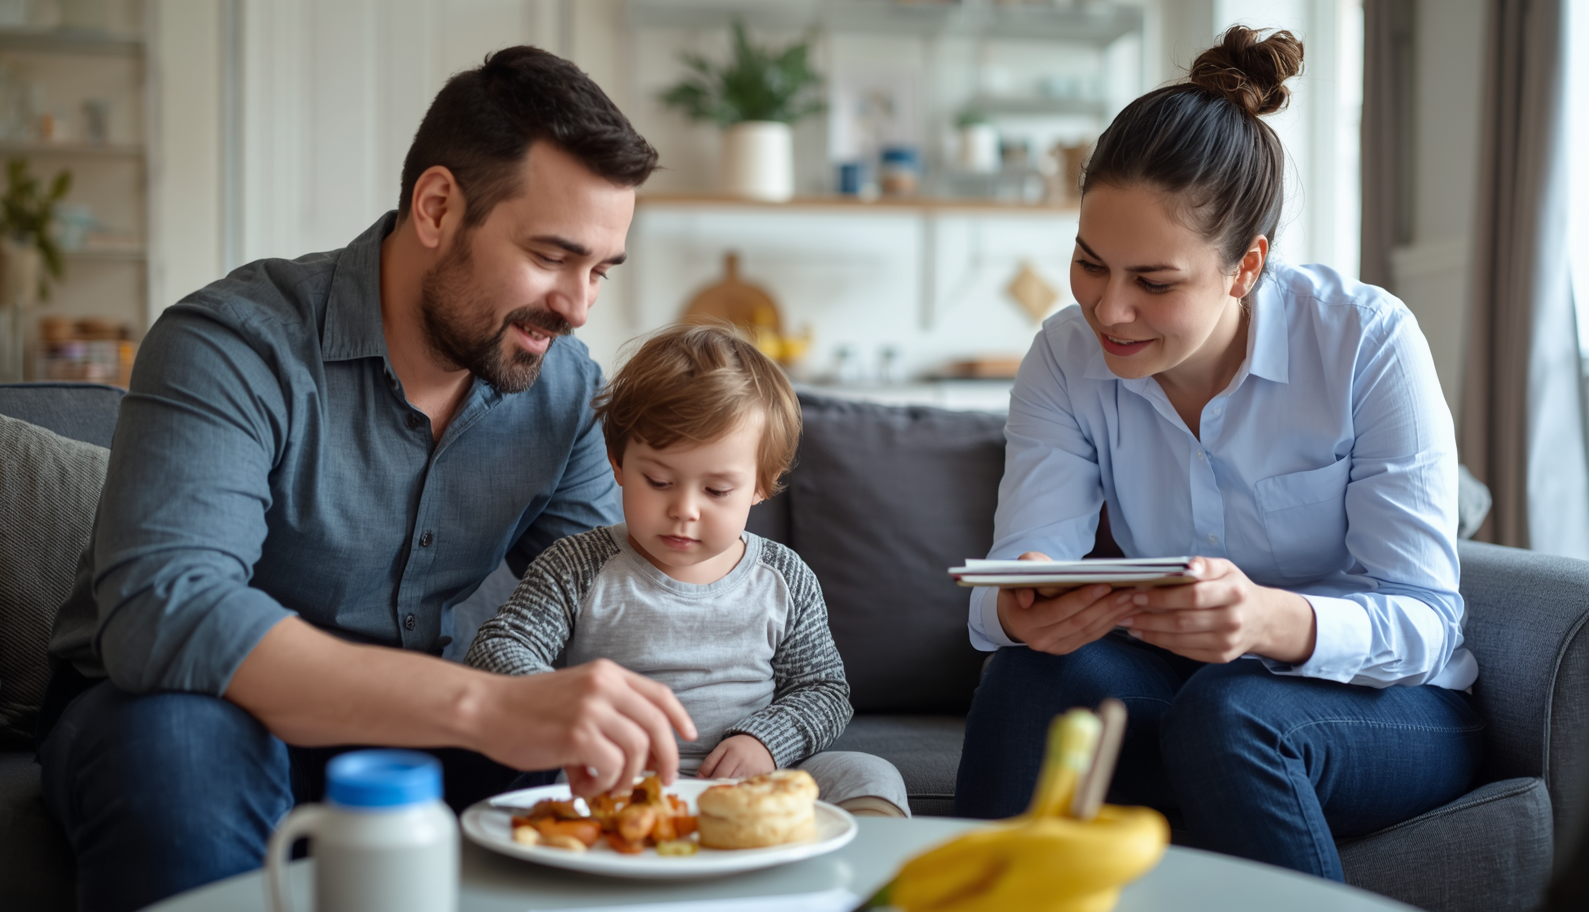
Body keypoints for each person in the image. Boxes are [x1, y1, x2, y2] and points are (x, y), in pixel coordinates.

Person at [37, 47, 700, 912]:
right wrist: (487, 707)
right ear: (436, 207)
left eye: (600, 270)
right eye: (551, 256)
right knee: (185, 745)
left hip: (420, 729)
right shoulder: (234, 344)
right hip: (178, 711)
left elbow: (603, 593)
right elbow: (169, 607)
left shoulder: (564, 388)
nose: (578, 306)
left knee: (572, 771)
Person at [952, 27, 1483, 881]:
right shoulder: (1063, 355)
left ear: (1246, 267)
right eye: (1090, 264)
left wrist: (1270, 620)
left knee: (1232, 710)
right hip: (1188, 687)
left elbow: (1425, 620)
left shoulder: (1364, 340)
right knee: (1030, 679)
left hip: (1387, 705)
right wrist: (1025, 603)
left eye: (1154, 283)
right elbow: (1022, 563)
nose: (1109, 311)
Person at [466, 323, 911, 818]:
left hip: (753, 783)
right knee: (523, 778)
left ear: (761, 486)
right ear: (617, 463)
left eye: (717, 491)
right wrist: (565, 711)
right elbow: (499, 648)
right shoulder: (577, 565)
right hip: (611, 778)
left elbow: (824, 691)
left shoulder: (785, 577)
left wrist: (766, 742)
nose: (684, 509)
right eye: (658, 481)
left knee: (871, 776)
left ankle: (861, 891)